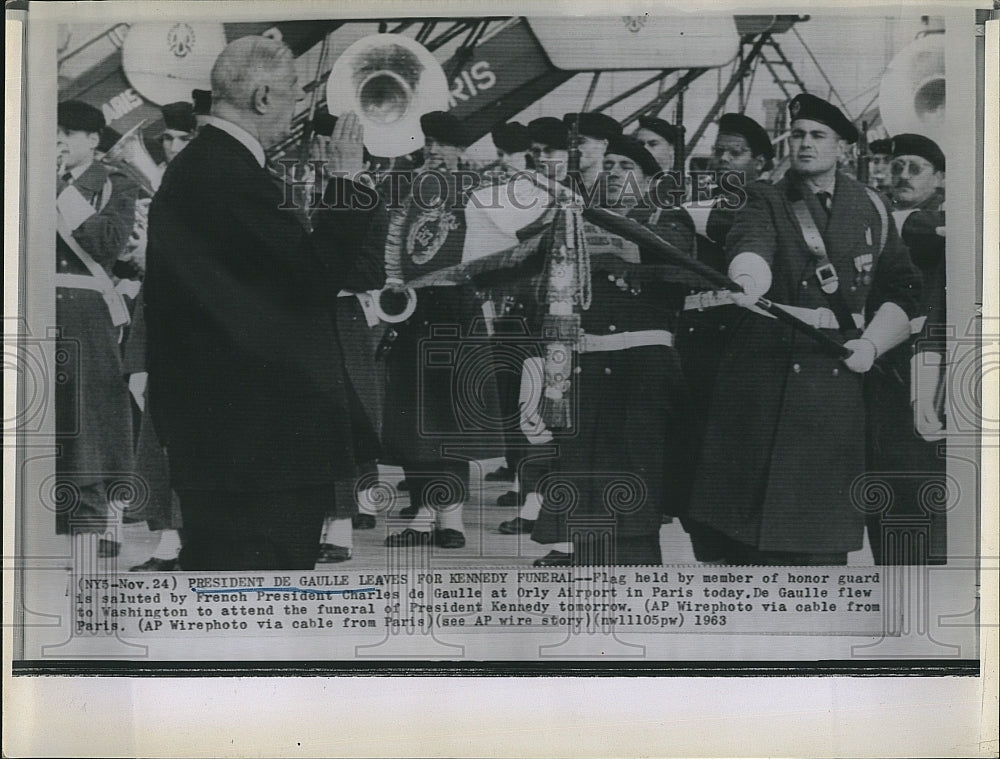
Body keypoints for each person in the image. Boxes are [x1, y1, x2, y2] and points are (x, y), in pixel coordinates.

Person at [144, 36, 384, 571]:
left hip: (225, 438)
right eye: (296, 92)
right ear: (262, 96)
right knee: (266, 597)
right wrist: (346, 182)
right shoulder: (233, 177)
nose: (299, 106)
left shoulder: (202, 170)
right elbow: (313, 278)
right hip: (264, 445)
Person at [684, 94, 922, 566]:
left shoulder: (870, 205)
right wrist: (749, 278)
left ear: (843, 148)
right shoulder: (765, 197)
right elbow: (750, 242)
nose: (805, 145)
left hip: (836, 383)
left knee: (820, 534)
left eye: (817, 136)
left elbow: (904, 287)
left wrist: (873, 344)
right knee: (752, 534)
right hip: (766, 372)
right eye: (798, 135)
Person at [530, 135, 696, 566]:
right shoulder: (579, 220)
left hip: (641, 370)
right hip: (588, 368)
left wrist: (619, 257)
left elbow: (680, 270)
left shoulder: (667, 217)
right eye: (612, 164)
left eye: (628, 166)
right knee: (585, 492)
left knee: (634, 496)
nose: (617, 172)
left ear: (648, 180)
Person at [381, 110, 500, 549]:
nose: (432, 150)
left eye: (442, 142)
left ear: (460, 148)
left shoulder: (480, 190)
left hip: (457, 311)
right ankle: (423, 513)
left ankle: (450, 517)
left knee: (450, 421)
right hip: (413, 312)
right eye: (428, 141)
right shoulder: (406, 187)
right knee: (417, 419)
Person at [676, 112, 774, 562]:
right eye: (718, 152)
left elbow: (728, 231)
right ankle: (710, 546)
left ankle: (733, 547)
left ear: (760, 163)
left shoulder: (763, 202)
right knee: (695, 448)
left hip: (742, 342)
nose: (722, 161)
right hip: (696, 343)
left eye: (734, 154)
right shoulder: (701, 200)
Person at [54, 100, 139, 557]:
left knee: (91, 419)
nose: (59, 141)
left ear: (92, 140)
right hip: (40, 307)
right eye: (55, 132)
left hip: (88, 311)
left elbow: (108, 241)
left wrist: (56, 188)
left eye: (69, 133)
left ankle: (97, 519)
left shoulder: (113, 184)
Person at [865, 132, 947, 564]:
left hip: (921, 374)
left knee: (915, 496)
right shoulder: (886, 218)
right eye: (896, 166)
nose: (901, 175)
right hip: (883, 373)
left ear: (941, 177)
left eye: (914, 168)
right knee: (886, 497)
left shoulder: (926, 222)